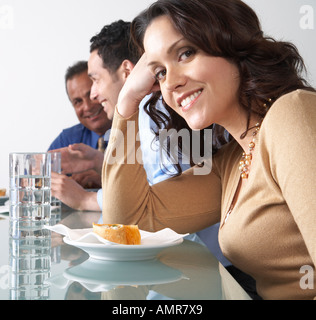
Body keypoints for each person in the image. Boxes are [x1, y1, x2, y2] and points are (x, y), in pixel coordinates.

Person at [100, 0, 316, 300]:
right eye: (160, 72)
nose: (171, 82)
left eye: (186, 53)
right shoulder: (232, 163)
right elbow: (130, 224)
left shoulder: (292, 115)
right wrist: (126, 105)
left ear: (230, 42)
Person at [49, 61, 111, 188]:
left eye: (91, 95)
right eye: (78, 101)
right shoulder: (68, 140)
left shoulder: (138, 131)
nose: (87, 107)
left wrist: (108, 179)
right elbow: (31, 180)